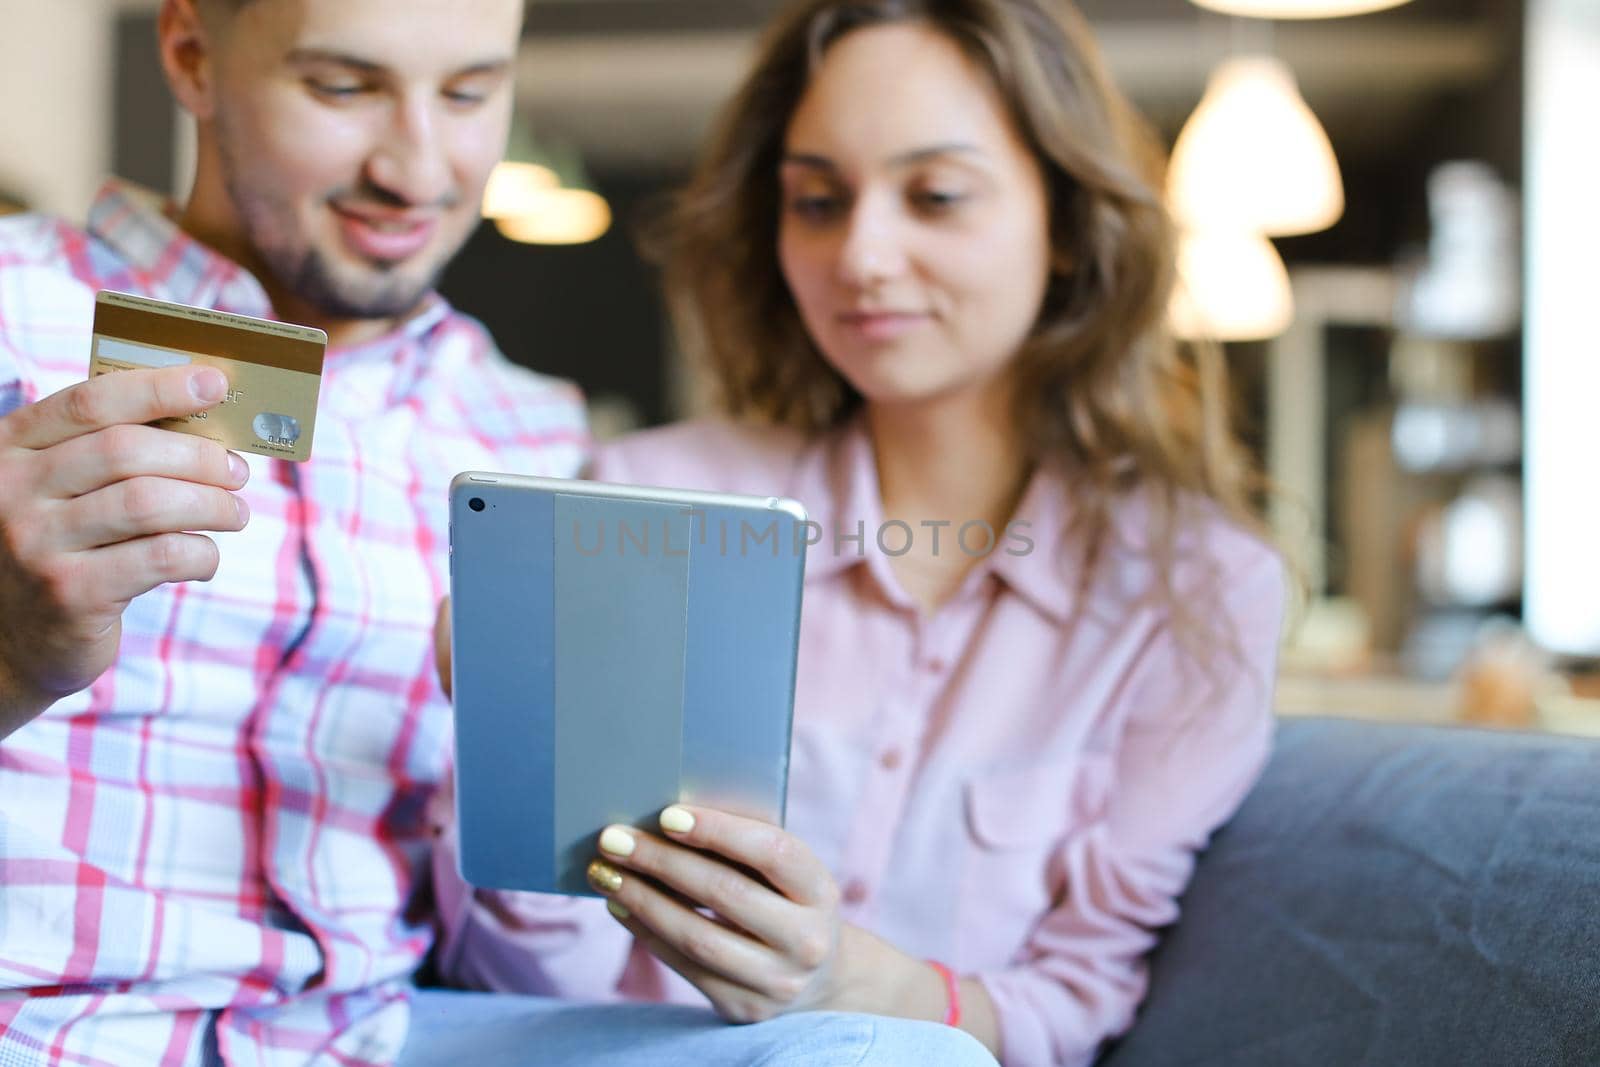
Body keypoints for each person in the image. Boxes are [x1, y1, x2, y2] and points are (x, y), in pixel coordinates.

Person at [0, 1, 995, 1065]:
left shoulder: (531, 432)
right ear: (190, 54)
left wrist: (577, 814)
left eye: (471, 92)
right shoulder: (20, 313)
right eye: (343, 87)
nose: (418, 168)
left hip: (389, 1034)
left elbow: (525, 963)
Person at [429, 1, 1288, 1065]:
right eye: (818, 201)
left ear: (1066, 224)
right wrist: (516, 755)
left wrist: (846, 980)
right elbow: (530, 996)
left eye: (934, 195)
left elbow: (1075, 1001)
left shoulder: (1197, 590)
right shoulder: (647, 500)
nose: (862, 255)